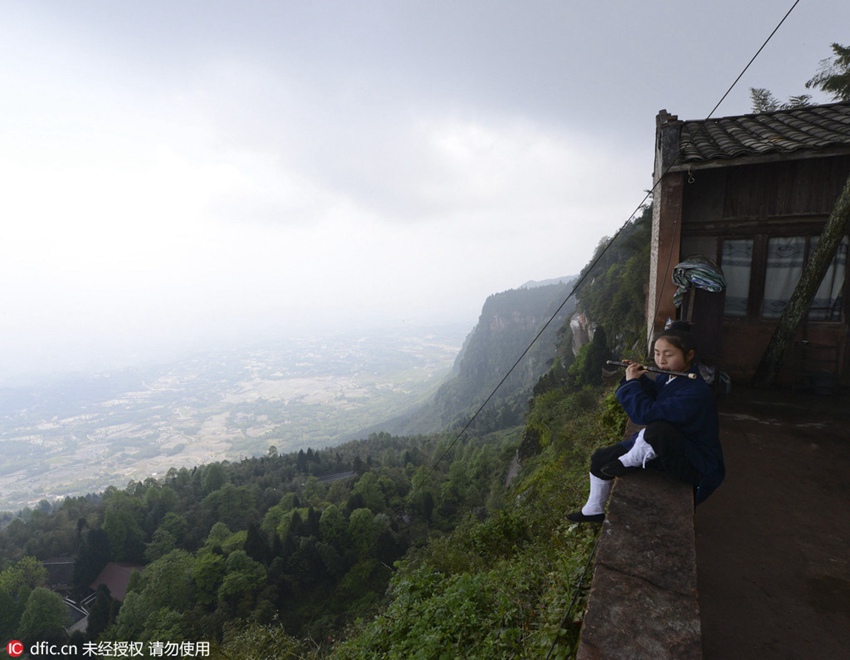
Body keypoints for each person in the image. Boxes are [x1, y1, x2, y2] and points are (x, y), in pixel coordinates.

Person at [567, 321, 724, 523]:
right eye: (657, 353)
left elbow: (645, 414)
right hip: (666, 447)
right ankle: (593, 510)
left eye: (669, 354)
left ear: (690, 355)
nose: (661, 360)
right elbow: (657, 396)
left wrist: (631, 383)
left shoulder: (695, 391)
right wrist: (639, 378)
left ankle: (625, 463)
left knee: (659, 430)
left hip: (694, 460)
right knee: (600, 457)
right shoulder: (670, 377)